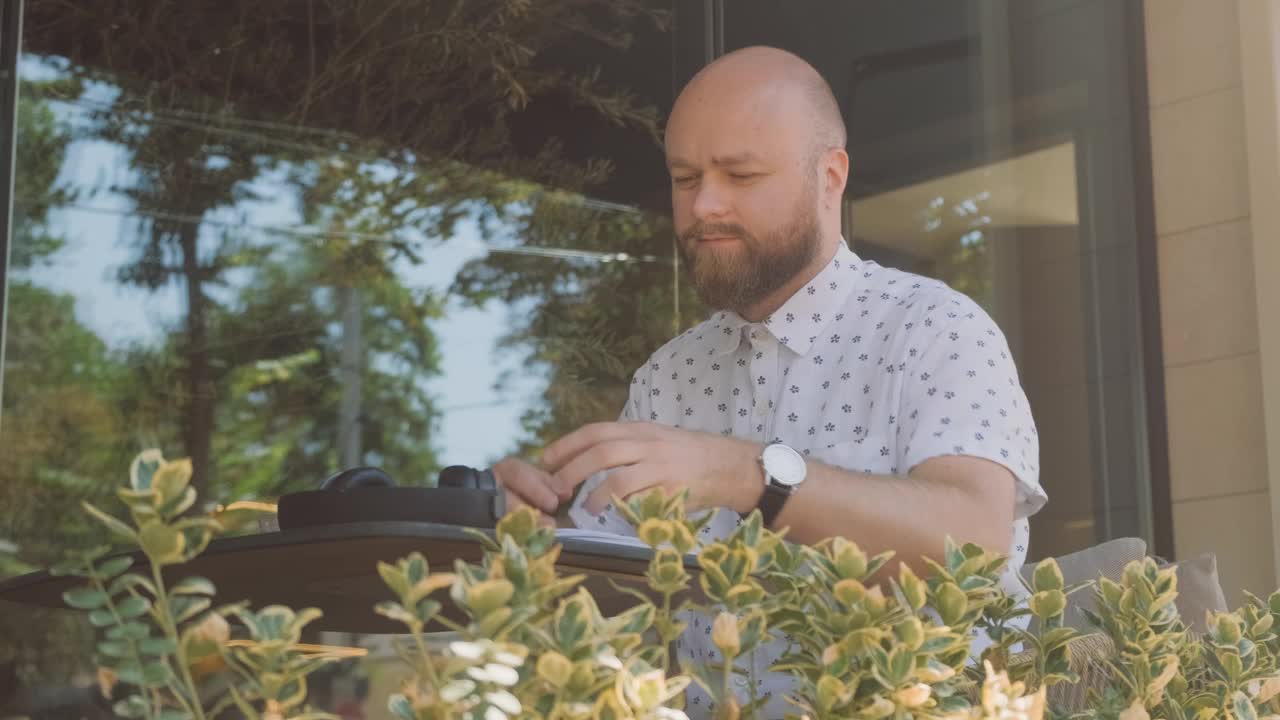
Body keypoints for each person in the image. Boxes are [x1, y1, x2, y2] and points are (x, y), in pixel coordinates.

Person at [492, 45, 1046, 715]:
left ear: (830, 177)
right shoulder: (667, 378)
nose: (703, 206)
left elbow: (977, 544)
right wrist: (549, 533)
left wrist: (757, 475)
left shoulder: (936, 328)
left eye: (740, 175)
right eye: (685, 176)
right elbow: (628, 605)